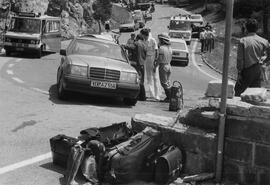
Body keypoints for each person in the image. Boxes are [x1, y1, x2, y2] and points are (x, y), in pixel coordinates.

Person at [234, 18, 270, 96]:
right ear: (257, 28)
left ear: (246, 28)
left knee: (238, 92)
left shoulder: (243, 41)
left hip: (247, 70)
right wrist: (264, 61)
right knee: (255, 94)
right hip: (258, 69)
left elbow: (240, 59)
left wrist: (239, 72)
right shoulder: (264, 41)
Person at [154, 33, 173, 102]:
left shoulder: (161, 48)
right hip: (169, 65)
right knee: (168, 82)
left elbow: (159, 59)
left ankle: (169, 97)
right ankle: (170, 97)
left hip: (163, 66)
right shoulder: (170, 48)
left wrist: (155, 66)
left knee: (164, 83)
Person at [144, 28, 162, 101]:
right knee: (149, 77)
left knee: (155, 77)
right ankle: (152, 94)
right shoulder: (144, 40)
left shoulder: (152, 40)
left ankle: (157, 95)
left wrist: (155, 61)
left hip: (152, 58)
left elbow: (156, 51)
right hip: (147, 58)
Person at [136, 30, 148, 101]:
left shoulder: (137, 43)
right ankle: (142, 96)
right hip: (142, 63)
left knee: (138, 80)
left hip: (137, 63)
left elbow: (130, 47)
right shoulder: (144, 45)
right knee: (142, 80)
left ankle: (141, 96)